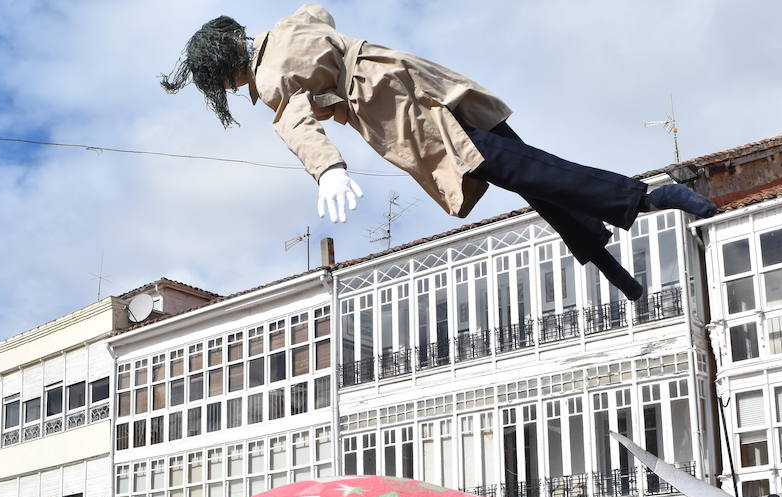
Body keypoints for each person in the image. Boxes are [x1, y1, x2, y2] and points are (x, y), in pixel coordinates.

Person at [159, 6, 718, 304]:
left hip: (399, 106)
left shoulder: (273, 74)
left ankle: (644, 197)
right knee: (521, 169)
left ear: (229, 64)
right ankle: (608, 262)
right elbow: (321, 13)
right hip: (423, 77)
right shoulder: (288, 28)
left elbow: (296, 125)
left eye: (227, 83)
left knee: (513, 168)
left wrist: (328, 168)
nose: (237, 90)